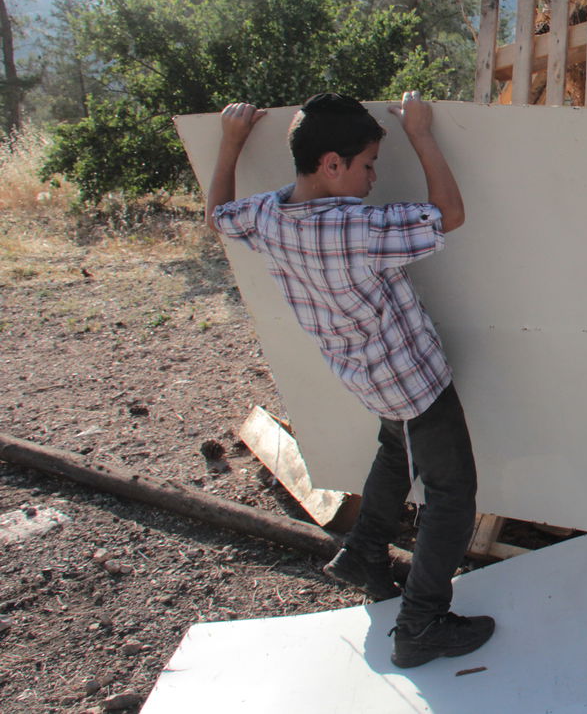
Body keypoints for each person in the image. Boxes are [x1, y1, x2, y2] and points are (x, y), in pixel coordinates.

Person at [204, 90, 493, 669]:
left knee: (394, 448)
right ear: (331, 164)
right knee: (452, 496)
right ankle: (422, 623)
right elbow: (450, 214)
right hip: (412, 377)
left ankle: (363, 554)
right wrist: (420, 133)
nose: (373, 178)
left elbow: (217, 217)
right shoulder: (351, 226)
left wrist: (230, 144)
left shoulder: (268, 215)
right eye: (366, 165)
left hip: (362, 374)